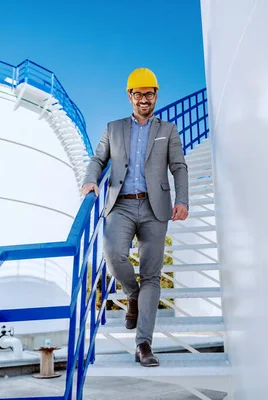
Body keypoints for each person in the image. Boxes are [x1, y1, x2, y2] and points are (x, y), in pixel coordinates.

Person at [81, 68, 189, 367]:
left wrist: (182, 200)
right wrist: (90, 180)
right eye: (138, 94)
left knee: (152, 274)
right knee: (114, 254)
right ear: (130, 96)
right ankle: (132, 294)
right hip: (122, 205)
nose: (144, 99)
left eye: (149, 93)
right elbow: (98, 159)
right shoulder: (113, 128)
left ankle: (144, 344)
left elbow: (179, 166)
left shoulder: (168, 130)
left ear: (156, 95)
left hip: (156, 208)